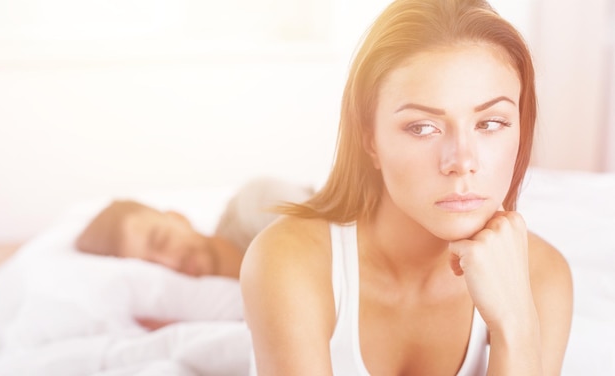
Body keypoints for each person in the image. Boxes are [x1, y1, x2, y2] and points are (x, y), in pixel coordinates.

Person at [240, 1, 573, 375]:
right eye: (423, 127)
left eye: (491, 123)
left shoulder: (543, 278)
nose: (462, 160)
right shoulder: (289, 261)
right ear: (370, 139)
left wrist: (515, 325)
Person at [75, 177, 314, 279]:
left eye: (162, 241)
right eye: (151, 267)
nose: (170, 264)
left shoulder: (255, 203)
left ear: (177, 217)